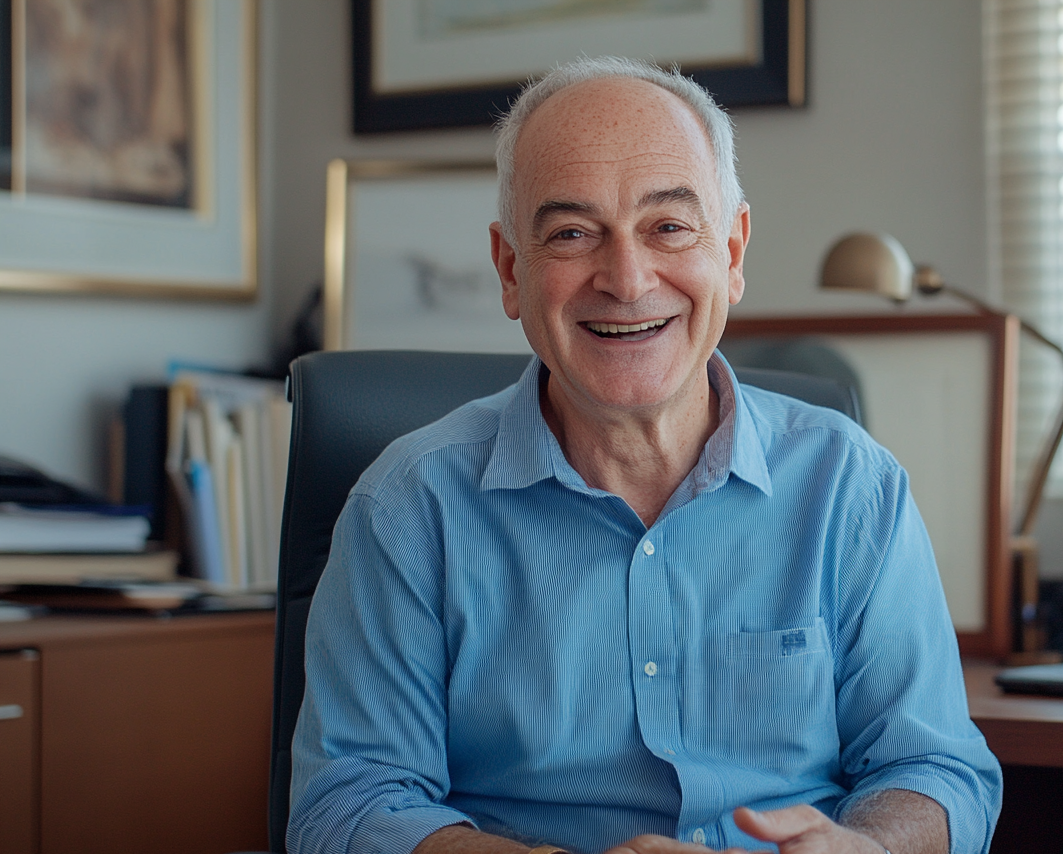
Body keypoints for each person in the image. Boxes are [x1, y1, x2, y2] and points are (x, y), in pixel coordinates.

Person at [288, 57, 1002, 854]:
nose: (627, 280)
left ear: (731, 252)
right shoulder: (407, 509)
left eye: (668, 227)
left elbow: (937, 767)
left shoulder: (850, 486)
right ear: (510, 269)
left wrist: (868, 849)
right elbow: (347, 808)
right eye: (571, 233)